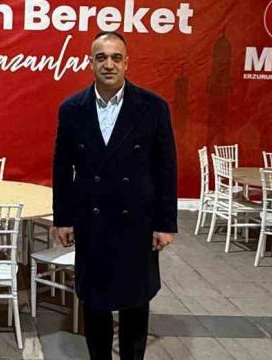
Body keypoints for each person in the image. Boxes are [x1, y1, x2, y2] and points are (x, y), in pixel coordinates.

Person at [52, 31, 178, 360]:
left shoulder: (153, 107)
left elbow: (166, 169)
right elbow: (62, 168)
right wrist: (63, 218)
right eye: (101, 57)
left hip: (137, 221)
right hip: (91, 221)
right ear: (90, 62)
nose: (108, 64)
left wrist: (165, 224)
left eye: (116, 57)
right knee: (94, 305)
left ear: (126, 63)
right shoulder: (72, 109)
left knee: (135, 305)